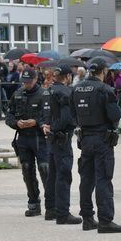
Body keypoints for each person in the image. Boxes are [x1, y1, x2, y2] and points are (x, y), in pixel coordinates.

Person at [72, 57, 121, 233]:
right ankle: (105, 220)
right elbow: (114, 115)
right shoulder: (104, 89)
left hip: (85, 139)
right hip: (102, 139)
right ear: (103, 71)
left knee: (86, 179)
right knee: (103, 178)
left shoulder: (77, 88)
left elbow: (73, 114)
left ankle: (87, 218)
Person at [6, 68, 51, 218]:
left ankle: (51, 204)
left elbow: (49, 116)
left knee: (45, 169)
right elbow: (9, 115)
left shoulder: (44, 94)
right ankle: (33, 203)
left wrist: (36, 122)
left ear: (35, 78)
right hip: (23, 137)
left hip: (39, 137)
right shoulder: (18, 94)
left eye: (29, 81)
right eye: (24, 82)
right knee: (26, 169)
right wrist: (16, 123)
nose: (27, 84)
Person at [43, 65, 82, 225]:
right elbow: (66, 117)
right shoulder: (66, 92)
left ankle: (50, 209)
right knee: (63, 175)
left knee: (52, 175)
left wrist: (48, 126)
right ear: (67, 77)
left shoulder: (48, 90)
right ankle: (63, 213)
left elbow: (45, 113)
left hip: (51, 137)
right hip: (62, 138)